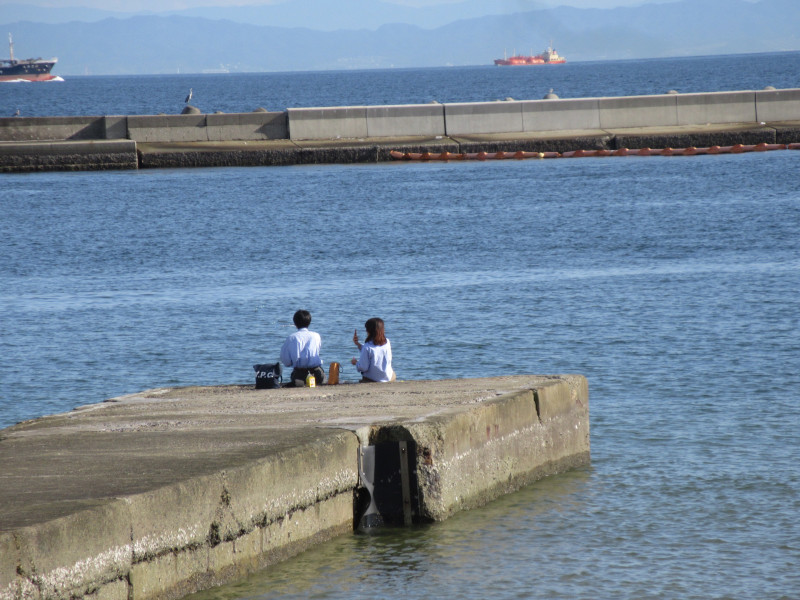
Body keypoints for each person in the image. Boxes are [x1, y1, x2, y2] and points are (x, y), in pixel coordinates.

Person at [280, 310, 325, 386]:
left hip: (299, 375)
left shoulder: (291, 338)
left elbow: (286, 361)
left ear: (295, 323)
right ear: (309, 322)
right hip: (317, 373)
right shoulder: (316, 336)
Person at [351, 317, 395, 383]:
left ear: (369, 331)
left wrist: (356, 362)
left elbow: (363, 367)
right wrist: (358, 344)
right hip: (388, 377)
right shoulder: (387, 342)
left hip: (372, 379)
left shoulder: (367, 347)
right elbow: (376, 350)